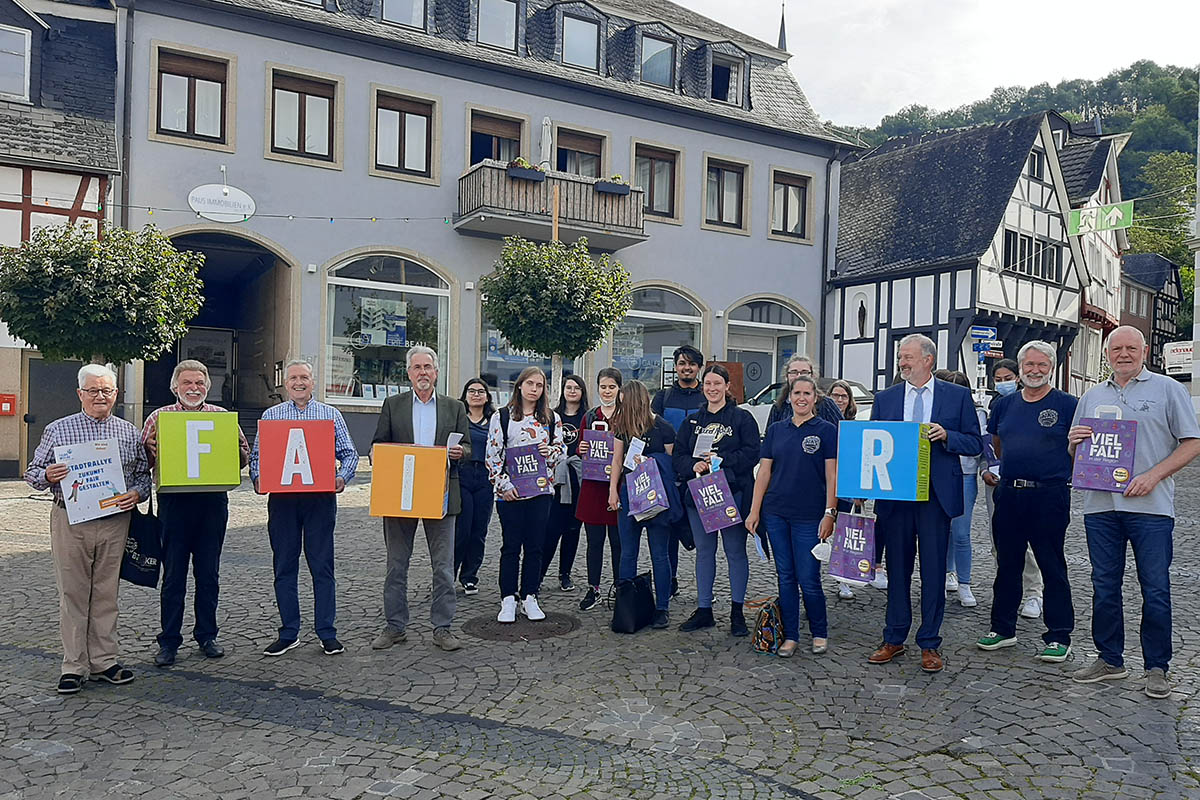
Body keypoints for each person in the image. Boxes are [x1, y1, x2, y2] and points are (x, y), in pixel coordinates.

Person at [1068, 326, 1200, 698]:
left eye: (1131, 348)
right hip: (1100, 507)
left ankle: (1157, 666)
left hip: (1151, 508)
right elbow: (1078, 456)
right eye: (1116, 348)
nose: (1123, 354)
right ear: (1107, 353)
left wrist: (1153, 476)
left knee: (1155, 588)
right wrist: (1074, 445)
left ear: (1144, 351)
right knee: (1103, 586)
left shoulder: (1168, 389)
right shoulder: (1091, 395)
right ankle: (1110, 659)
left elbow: (1193, 443)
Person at [26, 364, 150, 694]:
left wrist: (136, 493)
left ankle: (104, 661)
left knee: (107, 593)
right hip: (71, 519)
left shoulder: (128, 432)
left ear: (116, 394)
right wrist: (48, 476)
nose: (100, 396)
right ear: (80, 393)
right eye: (93, 391)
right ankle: (74, 665)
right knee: (73, 593)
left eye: (106, 391)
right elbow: (33, 472)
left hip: (114, 522)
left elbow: (142, 477)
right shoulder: (58, 430)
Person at [866, 334, 982, 673]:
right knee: (898, 570)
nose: (902, 363)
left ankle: (929, 643)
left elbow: (975, 442)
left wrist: (947, 435)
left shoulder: (957, 396)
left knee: (933, 572)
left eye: (908, 357)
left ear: (928, 359)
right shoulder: (885, 398)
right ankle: (894, 638)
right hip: (896, 496)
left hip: (935, 496)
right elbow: (873, 444)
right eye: (901, 357)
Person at [142, 360, 250, 667]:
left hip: (212, 503)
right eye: (187, 383)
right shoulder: (158, 417)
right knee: (173, 575)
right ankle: (169, 641)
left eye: (199, 384)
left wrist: (239, 452)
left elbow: (242, 458)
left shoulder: (222, 418)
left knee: (208, 574)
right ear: (175, 386)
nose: (193, 388)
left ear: (208, 387)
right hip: (174, 505)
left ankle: (207, 635)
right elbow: (143, 462)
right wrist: (150, 451)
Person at [976, 341, 1078, 663]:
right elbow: (998, 443)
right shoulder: (1004, 405)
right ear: (1020, 370)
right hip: (1009, 493)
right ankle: (1003, 628)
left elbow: (1078, 448)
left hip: (1049, 494)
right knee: (1007, 563)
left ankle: (1059, 635)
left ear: (1051, 368)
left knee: (1052, 564)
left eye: (1041, 365)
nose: (1034, 371)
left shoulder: (1067, 404)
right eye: (1029, 365)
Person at [250, 359, 359, 657]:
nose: (299, 382)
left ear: (313, 382)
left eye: (305, 378)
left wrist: (342, 477)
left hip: (319, 499)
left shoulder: (330, 414)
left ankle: (327, 632)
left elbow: (349, 453)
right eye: (294, 378)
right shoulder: (271, 416)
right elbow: (257, 458)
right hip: (283, 500)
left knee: (322, 565)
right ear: (286, 384)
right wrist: (258, 479)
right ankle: (288, 632)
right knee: (284, 565)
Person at [370, 346, 470, 653]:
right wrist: (377, 455)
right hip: (401, 494)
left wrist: (459, 453)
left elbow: (466, 448)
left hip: (440, 495)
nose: (423, 372)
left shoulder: (454, 407)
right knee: (396, 565)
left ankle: (443, 627)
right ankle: (395, 626)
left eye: (428, 367)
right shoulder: (393, 405)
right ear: (409, 373)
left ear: (436, 372)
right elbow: (377, 444)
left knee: (443, 566)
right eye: (417, 367)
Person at [746, 376, 838, 657]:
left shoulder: (826, 430)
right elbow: (764, 472)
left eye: (807, 393)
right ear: (788, 397)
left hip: (810, 515)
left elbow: (832, 475)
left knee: (809, 577)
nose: (801, 398)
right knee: (785, 576)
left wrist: (830, 513)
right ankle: (791, 635)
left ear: (815, 398)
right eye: (796, 393)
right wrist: (754, 509)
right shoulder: (775, 430)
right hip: (776, 513)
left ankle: (819, 632)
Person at [673, 364, 762, 636]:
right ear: (703, 387)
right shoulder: (692, 421)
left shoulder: (742, 418)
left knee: (735, 551)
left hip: (731, 493)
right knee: (704, 551)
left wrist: (723, 462)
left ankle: (737, 611)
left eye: (717, 384)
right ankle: (704, 610)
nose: (712, 388)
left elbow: (753, 453)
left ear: (727, 386)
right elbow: (678, 456)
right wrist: (693, 466)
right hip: (700, 495)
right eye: (708, 384)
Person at [486, 366, 564, 623]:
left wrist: (548, 452)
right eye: (530, 383)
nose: (534, 389)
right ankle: (508, 598)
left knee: (535, 546)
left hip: (540, 492)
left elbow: (560, 450)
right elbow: (493, 455)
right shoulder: (503, 416)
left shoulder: (551, 418)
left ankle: (530, 595)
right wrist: (503, 485)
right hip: (511, 493)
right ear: (520, 385)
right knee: (511, 546)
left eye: (539, 385)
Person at [607, 380, 678, 628]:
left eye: (624, 403)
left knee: (660, 554)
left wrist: (650, 462)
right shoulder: (622, 428)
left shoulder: (664, 428)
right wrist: (612, 492)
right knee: (628, 552)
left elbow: (672, 465)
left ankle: (662, 608)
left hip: (656, 496)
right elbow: (617, 461)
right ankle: (626, 604)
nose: (621, 407)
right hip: (629, 494)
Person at [983, 359, 1045, 619]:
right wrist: (985, 470)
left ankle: (1034, 591)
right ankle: (1008, 591)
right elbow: (989, 444)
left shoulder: (1029, 404)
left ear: (1017, 377)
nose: (1003, 382)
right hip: (997, 482)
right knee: (999, 541)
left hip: (1029, 482)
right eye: (998, 378)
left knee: (1029, 541)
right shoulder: (995, 406)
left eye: (1007, 377)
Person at [651, 344, 706, 596]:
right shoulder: (663, 398)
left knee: (703, 535)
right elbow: (651, 432)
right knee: (670, 531)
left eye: (691, 364)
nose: (687, 368)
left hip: (700, 472)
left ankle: (705, 586)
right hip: (669, 474)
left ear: (698, 368)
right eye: (682, 363)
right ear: (675, 368)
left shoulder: (707, 396)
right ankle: (670, 579)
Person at [574, 368, 623, 611]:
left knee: (618, 541)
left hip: (617, 486)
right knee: (594, 541)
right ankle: (593, 588)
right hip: (593, 486)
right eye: (603, 387)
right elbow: (582, 447)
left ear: (619, 389)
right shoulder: (590, 415)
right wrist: (581, 447)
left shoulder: (625, 416)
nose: (607, 391)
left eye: (611, 387)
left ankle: (618, 587)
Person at [939, 370, 985, 609]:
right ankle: (946, 573)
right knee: (940, 530)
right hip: (940, 473)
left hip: (965, 474)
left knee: (961, 532)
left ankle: (964, 582)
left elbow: (983, 444)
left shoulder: (978, 413)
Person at [541, 374, 588, 592]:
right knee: (550, 529)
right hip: (556, 479)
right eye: (568, 387)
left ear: (582, 392)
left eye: (576, 388)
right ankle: (539, 574)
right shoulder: (552, 416)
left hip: (578, 478)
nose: (572, 391)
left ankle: (565, 574)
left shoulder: (587, 417)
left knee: (572, 529)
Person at [454, 378, 496, 596]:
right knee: (462, 528)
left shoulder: (494, 421)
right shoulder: (458, 418)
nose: (476, 395)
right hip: (463, 474)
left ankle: (469, 576)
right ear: (465, 394)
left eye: (481, 391)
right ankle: (448, 574)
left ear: (487, 396)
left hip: (485, 478)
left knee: (479, 529)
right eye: (472, 391)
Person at [827, 378, 868, 599]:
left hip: (847, 485)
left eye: (843, 396)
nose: (839, 400)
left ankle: (843, 579)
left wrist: (861, 491)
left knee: (844, 534)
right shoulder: (824, 421)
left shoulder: (855, 424)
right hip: (826, 484)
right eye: (835, 395)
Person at [766, 356, 843, 428]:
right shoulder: (778, 407)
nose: (799, 376)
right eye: (794, 372)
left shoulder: (827, 404)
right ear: (786, 377)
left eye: (804, 372)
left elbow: (844, 433)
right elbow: (770, 438)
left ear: (812, 376)